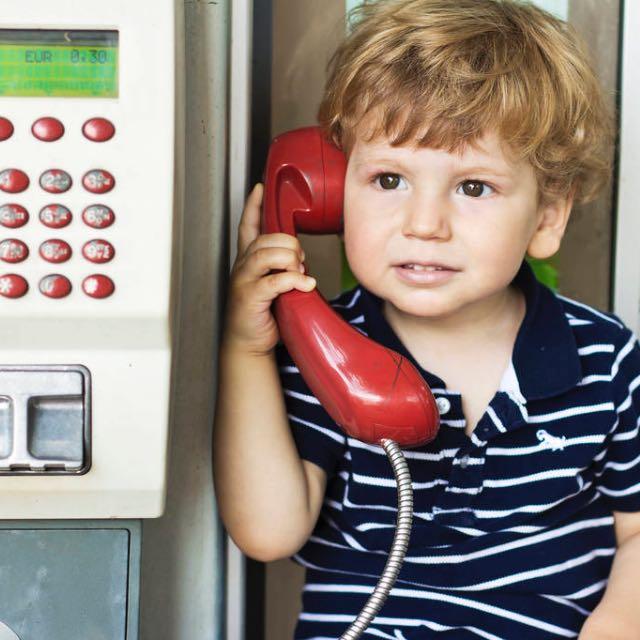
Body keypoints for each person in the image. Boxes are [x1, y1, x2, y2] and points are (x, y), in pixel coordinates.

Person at [213, 1, 640, 637]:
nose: (424, 224)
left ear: (547, 217)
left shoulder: (605, 362)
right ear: (330, 194)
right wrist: (247, 350)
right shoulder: (319, 354)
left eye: (473, 187)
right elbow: (269, 532)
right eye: (389, 180)